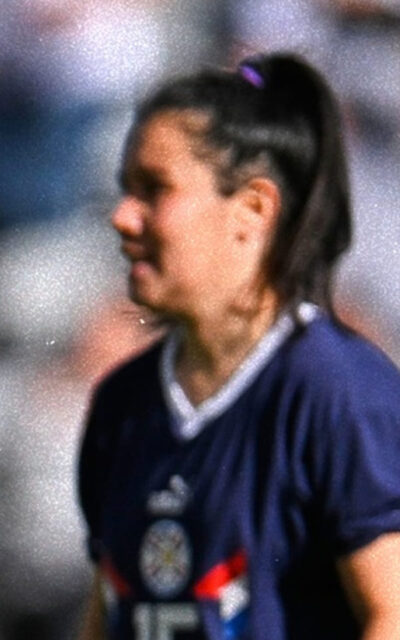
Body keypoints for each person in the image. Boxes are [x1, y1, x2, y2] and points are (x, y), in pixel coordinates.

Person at [77, 52, 400, 639]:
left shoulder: (341, 394)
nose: (123, 217)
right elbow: (107, 616)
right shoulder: (122, 406)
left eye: (154, 190)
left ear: (252, 208)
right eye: (125, 190)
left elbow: (394, 614)